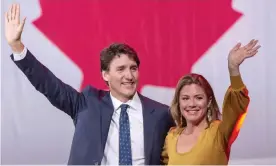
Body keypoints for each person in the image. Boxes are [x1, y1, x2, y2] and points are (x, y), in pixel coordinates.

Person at [4, 3, 175, 165]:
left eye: (133, 68)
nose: (129, 75)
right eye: (121, 69)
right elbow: (49, 85)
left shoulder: (161, 114)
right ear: (105, 75)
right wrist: (17, 46)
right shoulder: (87, 103)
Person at [161, 40, 261, 165]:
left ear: (209, 102)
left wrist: (233, 68)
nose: (192, 104)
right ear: (178, 102)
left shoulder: (219, 132)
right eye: (185, 98)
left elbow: (236, 106)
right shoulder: (171, 137)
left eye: (198, 98)